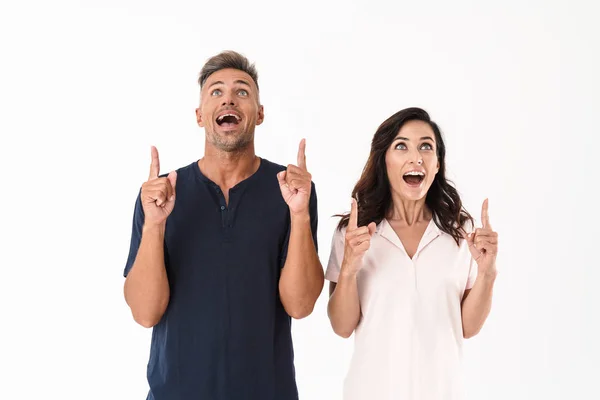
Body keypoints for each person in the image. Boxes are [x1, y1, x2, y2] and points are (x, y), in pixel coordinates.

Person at [123, 50, 324, 400]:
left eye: (242, 91)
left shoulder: (292, 191)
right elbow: (144, 312)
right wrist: (154, 225)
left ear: (259, 114)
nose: (229, 98)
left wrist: (300, 214)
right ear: (200, 116)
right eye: (216, 91)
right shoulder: (161, 195)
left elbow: (301, 305)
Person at [325, 107, 498, 400]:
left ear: (437, 164)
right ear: (385, 160)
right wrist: (350, 267)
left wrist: (487, 273)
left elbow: (467, 327)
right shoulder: (354, 232)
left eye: (426, 147)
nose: (415, 156)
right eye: (401, 145)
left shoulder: (461, 232)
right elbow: (342, 327)